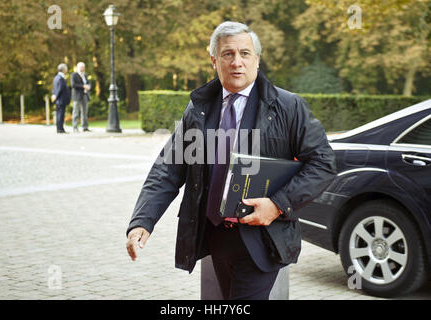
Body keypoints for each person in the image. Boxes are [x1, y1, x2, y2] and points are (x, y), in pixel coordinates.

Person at [126, 21, 336, 300]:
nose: (237, 62)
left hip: (262, 238)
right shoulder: (199, 108)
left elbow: (323, 163)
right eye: (228, 54)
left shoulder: (288, 106)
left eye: (245, 54)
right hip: (214, 237)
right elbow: (169, 167)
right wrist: (142, 221)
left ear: (257, 60)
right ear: (214, 60)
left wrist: (277, 205)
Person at [70, 62, 91, 132]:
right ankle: (75, 127)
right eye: (81, 67)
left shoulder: (85, 75)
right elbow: (73, 85)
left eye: (83, 67)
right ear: (78, 67)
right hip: (77, 96)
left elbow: (88, 82)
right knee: (76, 111)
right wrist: (83, 86)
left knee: (85, 112)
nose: (83, 68)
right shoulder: (74, 75)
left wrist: (88, 86)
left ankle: (85, 126)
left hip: (85, 95)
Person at [51, 63, 71, 134]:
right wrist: (55, 95)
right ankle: (60, 129)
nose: (67, 69)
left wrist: (53, 95)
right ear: (63, 69)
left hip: (59, 99)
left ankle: (60, 128)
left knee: (59, 114)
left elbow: (54, 88)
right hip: (61, 99)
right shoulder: (60, 78)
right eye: (66, 68)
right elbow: (59, 89)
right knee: (60, 115)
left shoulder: (56, 77)